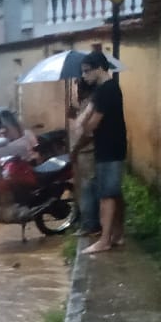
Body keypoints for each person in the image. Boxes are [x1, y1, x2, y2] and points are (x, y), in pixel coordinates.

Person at [72, 50, 126, 254]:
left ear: (100, 69)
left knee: (107, 195)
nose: (84, 76)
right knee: (114, 194)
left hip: (110, 149)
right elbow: (90, 109)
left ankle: (104, 240)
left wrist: (81, 131)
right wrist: (80, 120)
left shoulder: (108, 90)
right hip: (112, 147)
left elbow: (93, 123)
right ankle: (118, 234)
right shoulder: (103, 89)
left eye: (87, 71)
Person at [69, 77, 102, 237]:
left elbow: (88, 133)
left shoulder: (91, 104)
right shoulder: (84, 105)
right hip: (84, 153)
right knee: (86, 188)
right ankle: (88, 223)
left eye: (76, 86)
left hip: (87, 152)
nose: (75, 90)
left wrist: (75, 149)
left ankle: (90, 225)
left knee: (88, 189)